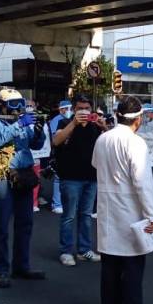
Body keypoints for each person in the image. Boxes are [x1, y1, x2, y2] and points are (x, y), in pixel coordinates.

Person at [91, 96, 153, 304]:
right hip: (129, 208)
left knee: (109, 265)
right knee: (132, 267)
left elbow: (96, 166)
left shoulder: (103, 139)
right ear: (138, 119)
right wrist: (152, 215)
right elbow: (142, 182)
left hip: (107, 207)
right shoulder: (136, 143)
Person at [0, 88, 47, 288]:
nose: (19, 109)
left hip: (24, 173)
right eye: (13, 105)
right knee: (1, 224)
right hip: (2, 175)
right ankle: (1, 270)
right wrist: (18, 124)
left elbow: (35, 145)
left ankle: (21, 265)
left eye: (21, 104)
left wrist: (38, 132)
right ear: (1, 105)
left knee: (25, 223)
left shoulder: (23, 120)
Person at [51, 95, 106, 266]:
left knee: (86, 215)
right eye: (80, 108)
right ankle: (66, 251)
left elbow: (110, 143)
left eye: (87, 108)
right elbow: (56, 141)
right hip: (70, 177)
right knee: (69, 216)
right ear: (74, 109)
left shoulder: (94, 125)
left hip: (91, 176)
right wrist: (73, 123)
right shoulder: (64, 123)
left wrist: (104, 127)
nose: (84, 112)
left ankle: (84, 249)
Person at [48, 100, 72, 215]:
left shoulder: (72, 119)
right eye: (65, 108)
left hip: (70, 152)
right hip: (59, 152)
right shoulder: (56, 120)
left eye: (70, 108)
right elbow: (54, 139)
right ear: (60, 109)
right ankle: (56, 204)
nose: (68, 111)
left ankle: (64, 202)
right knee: (58, 178)